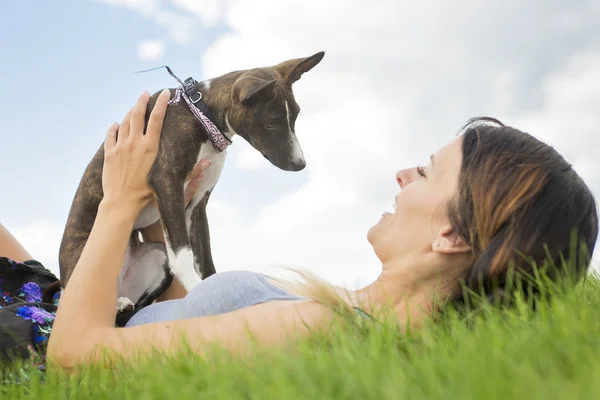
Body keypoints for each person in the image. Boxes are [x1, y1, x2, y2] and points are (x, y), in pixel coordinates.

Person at [1, 88, 597, 375]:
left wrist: (120, 198)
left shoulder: (322, 326)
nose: (401, 174)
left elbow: (77, 359)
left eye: (427, 171)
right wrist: (158, 230)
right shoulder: (337, 317)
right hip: (56, 305)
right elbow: (168, 335)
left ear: (453, 237)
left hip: (36, 333)